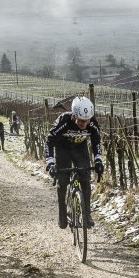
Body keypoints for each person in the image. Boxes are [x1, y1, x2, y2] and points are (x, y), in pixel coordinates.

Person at [45, 96, 103, 229]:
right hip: (63, 149)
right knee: (63, 182)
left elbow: (96, 142)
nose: (84, 124)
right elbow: (49, 141)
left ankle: (87, 214)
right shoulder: (64, 121)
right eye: (81, 121)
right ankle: (62, 214)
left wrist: (99, 160)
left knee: (85, 179)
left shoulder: (92, 123)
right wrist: (50, 162)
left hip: (79, 149)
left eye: (86, 121)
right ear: (73, 116)